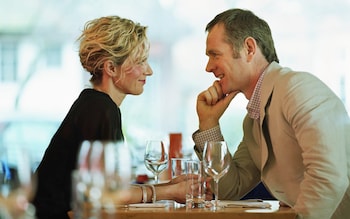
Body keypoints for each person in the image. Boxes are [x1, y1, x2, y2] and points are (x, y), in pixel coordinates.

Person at [32, 16, 201, 219]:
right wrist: (169, 192)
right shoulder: (100, 109)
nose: (149, 70)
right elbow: (107, 194)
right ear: (111, 68)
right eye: (140, 62)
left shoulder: (93, 104)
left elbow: (107, 187)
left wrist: (167, 186)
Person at [192, 8, 350, 219]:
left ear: (249, 48)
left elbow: (329, 176)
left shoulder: (298, 88)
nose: (208, 67)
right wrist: (209, 124)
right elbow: (230, 189)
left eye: (215, 55)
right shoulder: (253, 119)